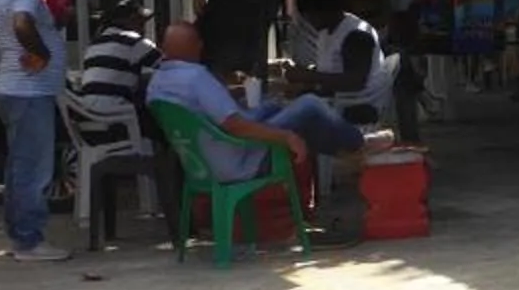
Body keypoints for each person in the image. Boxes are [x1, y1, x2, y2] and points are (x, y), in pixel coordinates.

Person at [148, 23, 384, 219]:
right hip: (239, 161)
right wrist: (285, 136)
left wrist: (260, 106)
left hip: (201, 165)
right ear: (196, 46)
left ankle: (345, 151)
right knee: (309, 105)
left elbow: (212, 115)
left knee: (274, 105)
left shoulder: (157, 82)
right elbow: (235, 125)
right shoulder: (196, 77)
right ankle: (357, 144)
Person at [0, 0, 68, 261]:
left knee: (19, 166)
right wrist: (43, 53)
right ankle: (29, 240)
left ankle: (20, 234)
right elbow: (22, 24)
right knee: (34, 168)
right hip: (29, 90)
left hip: (14, 88)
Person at [287, 0, 398, 127]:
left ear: (323, 11)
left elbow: (355, 82)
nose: (309, 21)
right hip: (338, 99)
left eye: (309, 15)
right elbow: (330, 72)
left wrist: (309, 76)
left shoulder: (356, 35)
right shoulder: (325, 32)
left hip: (359, 105)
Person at [76, 0, 160, 137]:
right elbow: (168, 66)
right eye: (141, 21)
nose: (143, 27)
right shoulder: (133, 40)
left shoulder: (95, 44)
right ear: (132, 19)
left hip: (89, 114)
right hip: (116, 115)